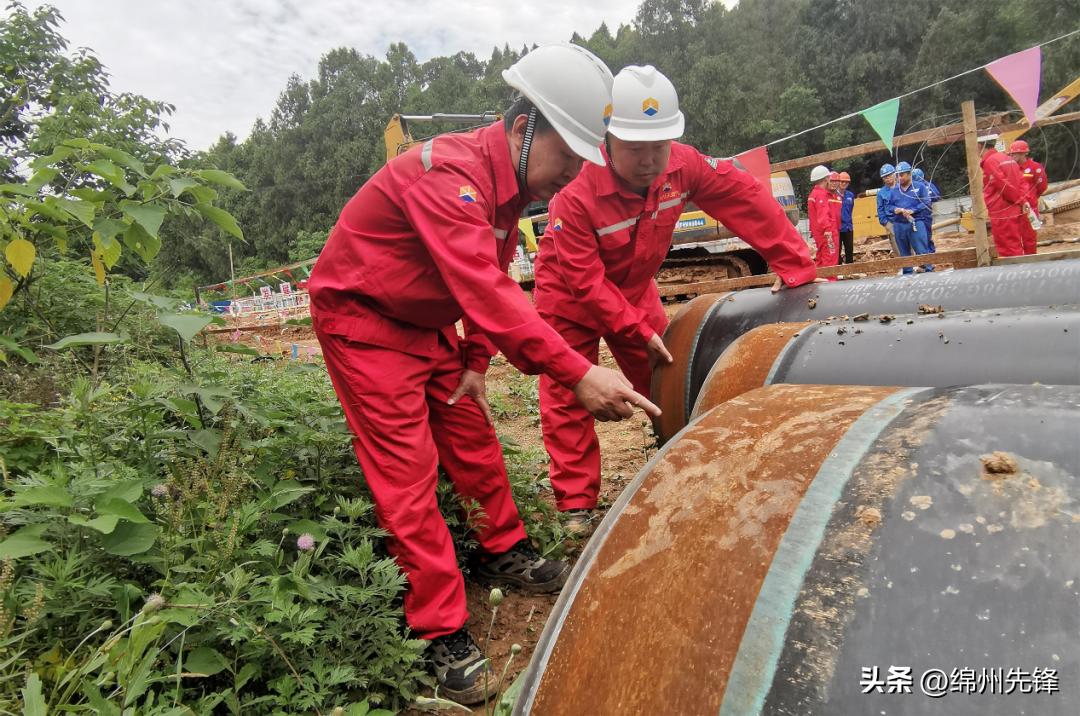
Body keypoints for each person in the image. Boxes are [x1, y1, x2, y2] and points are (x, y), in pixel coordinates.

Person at [306, 44, 659, 705]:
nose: (574, 175)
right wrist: (577, 370)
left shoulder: (507, 190)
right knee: (407, 473)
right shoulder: (450, 177)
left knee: (472, 440)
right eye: (569, 155)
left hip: (427, 322)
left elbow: (487, 276)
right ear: (525, 127)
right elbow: (483, 288)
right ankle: (438, 630)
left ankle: (505, 551)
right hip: (366, 319)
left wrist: (473, 360)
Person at [531, 65, 818, 537]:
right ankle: (576, 503)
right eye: (635, 149)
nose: (649, 161)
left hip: (634, 287)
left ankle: (672, 457)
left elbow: (743, 196)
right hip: (569, 296)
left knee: (663, 373)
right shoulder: (576, 192)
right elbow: (584, 280)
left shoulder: (683, 165)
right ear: (608, 140)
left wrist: (794, 263)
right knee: (567, 394)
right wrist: (634, 327)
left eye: (658, 147)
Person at [979, 134, 1027, 258]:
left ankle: (1015, 274)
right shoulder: (1006, 158)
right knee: (1015, 244)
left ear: (979, 146)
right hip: (1011, 208)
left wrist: (1017, 200)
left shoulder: (990, 161)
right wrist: (1021, 201)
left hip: (1002, 210)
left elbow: (1002, 185)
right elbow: (1021, 182)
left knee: (1007, 248)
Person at [888, 162, 933, 273]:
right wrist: (895, 209)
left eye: (902, 175)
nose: (899, 178)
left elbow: (926, 202)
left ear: (909, 174)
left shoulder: (919, 186)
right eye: (897, 175)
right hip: (899, 224)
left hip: (916, 222)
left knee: (922, 249)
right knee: (904, 252)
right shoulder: (894, 191)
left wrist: (913, 210)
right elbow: (889, 206)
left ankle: (927, 270)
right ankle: (907, 273)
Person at [1009, 139, 1048, 255]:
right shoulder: (1010, 168)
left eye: (1014, 153)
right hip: (1014, 209)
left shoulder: (1035, 167)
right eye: (1011, 153)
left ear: (1023, 153)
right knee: (1013, 239)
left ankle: (1031, 262)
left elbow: (1042, 186)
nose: (1012, 156)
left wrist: (1031, 198)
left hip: (1029, 210)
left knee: (1029, 238)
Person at [808, 164, 839, 271]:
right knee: (830, 258)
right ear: (826, 179)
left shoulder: (813, 194)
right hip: (826, 234)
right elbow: (823, 215)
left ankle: (821, 283)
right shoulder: (821, 195)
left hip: (819, 234)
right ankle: (830, 282)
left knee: (821, 259)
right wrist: (828, 229)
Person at [911, 167, 940, 252]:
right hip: (918, 214)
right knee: (921, 236)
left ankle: (929, 253)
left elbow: (936, 196)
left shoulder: (917, 186)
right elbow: (937, 196)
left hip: (923, 213)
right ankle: (926, 253)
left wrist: (926, 199)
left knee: (925, 235)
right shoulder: (928, 185)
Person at [876, 163, 899, 255]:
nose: (887, 178)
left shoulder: (902, 187)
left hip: (905, 221)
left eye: (889, 175)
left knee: (911, 245)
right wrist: (887, 224)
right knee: (897, 247)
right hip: (892, 222)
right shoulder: (881, 193)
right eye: (885, 177)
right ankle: (904, 268)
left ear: (894, 174)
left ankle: (916, 266)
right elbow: (880, 210)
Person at [835, 171, 856, 264]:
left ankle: (850, 270)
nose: (843, 183)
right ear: (838, 182)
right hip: (837, 228)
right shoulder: (833, 195)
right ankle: (839, 271)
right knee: (837, 251)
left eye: (846, 182)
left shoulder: (850, 195)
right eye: (842, 181)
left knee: (849, 250)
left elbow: (850, 209)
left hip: (848, 227)